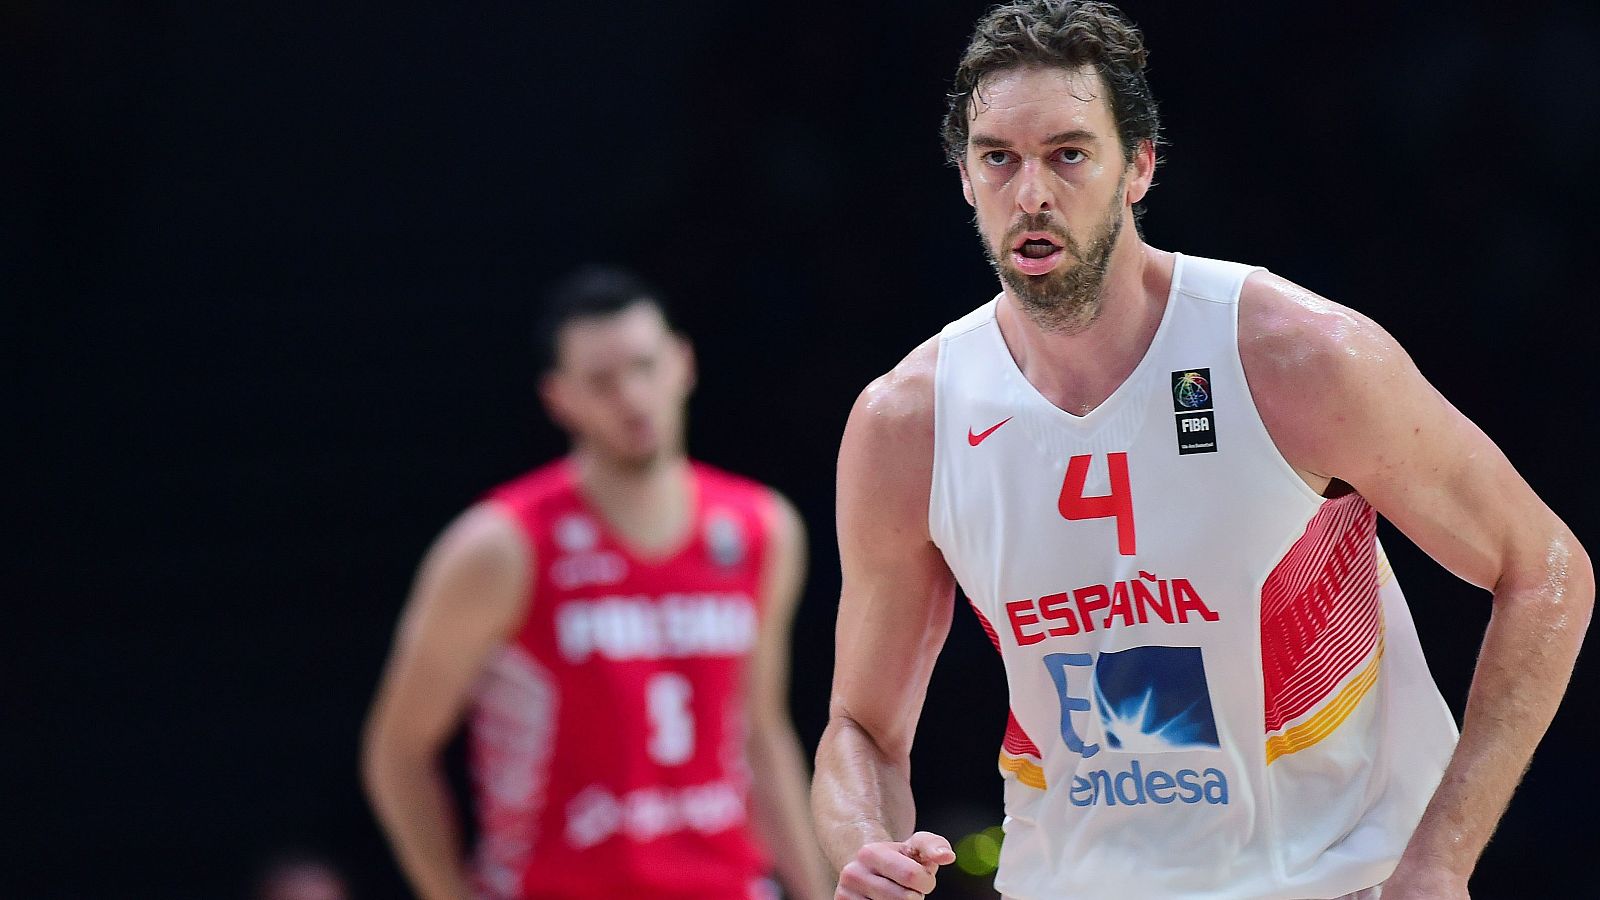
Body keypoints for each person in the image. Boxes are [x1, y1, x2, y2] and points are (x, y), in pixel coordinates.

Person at [811, 3, 1593, 899]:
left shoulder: (1295, 358)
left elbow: (1547, 571)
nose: (1030, 193)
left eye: (1068, 153)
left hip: (1330, 882)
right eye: (999, 158)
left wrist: (1442, 863)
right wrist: (862, 844)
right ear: (964, 177)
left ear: (1138, 166)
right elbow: (860, 732)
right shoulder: (908, 424)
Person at [362, 266, 831, 900]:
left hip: (726, 884)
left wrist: (817, 890)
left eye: (644, 367)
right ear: (559, 399)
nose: (632, 398)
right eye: (601, 382)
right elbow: (397, 752)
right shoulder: (499, 548)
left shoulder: (760, 528)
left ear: (683, 363)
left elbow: (761, 731)